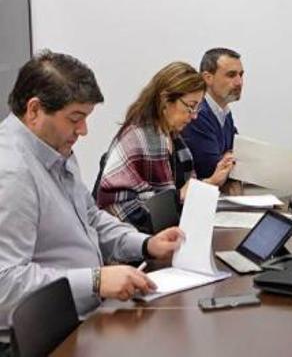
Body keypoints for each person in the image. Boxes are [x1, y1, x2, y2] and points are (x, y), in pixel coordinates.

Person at [0, 51, 183, 347]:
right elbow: (5, 284)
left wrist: (146, 244)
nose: (83, 131)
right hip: (44, 339)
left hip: (83, 316)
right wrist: (95, 281)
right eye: (75, 118)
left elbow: (91, 217)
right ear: (34, 110)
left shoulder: (53, 149)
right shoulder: (11, 173)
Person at [97, 62, 233, 232]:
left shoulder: (172, 137)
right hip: (129, 237)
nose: (194, 116)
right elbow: (134, 213)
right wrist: (180, 196)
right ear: (165, 100)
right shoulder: (144, 138)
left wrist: (211, 182)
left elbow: (177, 195)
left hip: (152, 234)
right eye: (190, 107)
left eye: (197, 108)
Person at [181, 48, 243, 180]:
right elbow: (211, 169)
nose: (239, 82)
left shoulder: (224, 112)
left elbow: (240, 155)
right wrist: (230, 158)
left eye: (241, 75)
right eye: (231, 75)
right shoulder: (196, 114)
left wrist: (230, 157)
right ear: (208, 78)